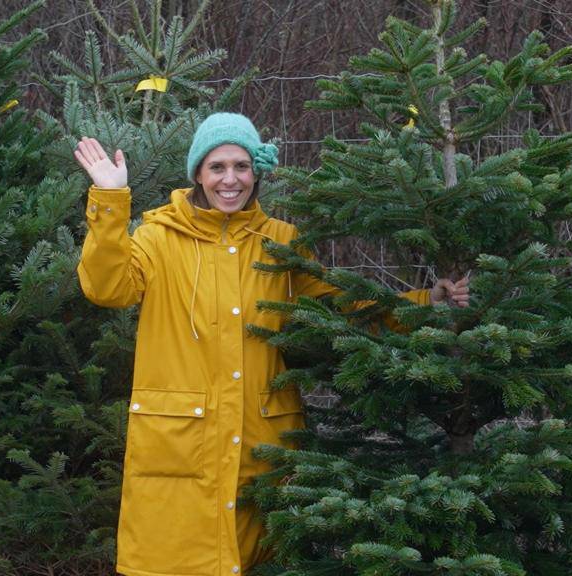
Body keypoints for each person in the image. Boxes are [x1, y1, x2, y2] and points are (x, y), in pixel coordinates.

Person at [74, 112, 469, 576]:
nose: (230, 179)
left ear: (255, 172)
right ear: (198, 174)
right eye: (217, 167)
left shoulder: (280, 240)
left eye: (241, 166)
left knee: (259, 559)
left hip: (262, 440)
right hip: (181, 443)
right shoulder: (158, 238)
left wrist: (424, 302)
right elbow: (106, 287)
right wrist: (110, 199)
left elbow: (337, 306)